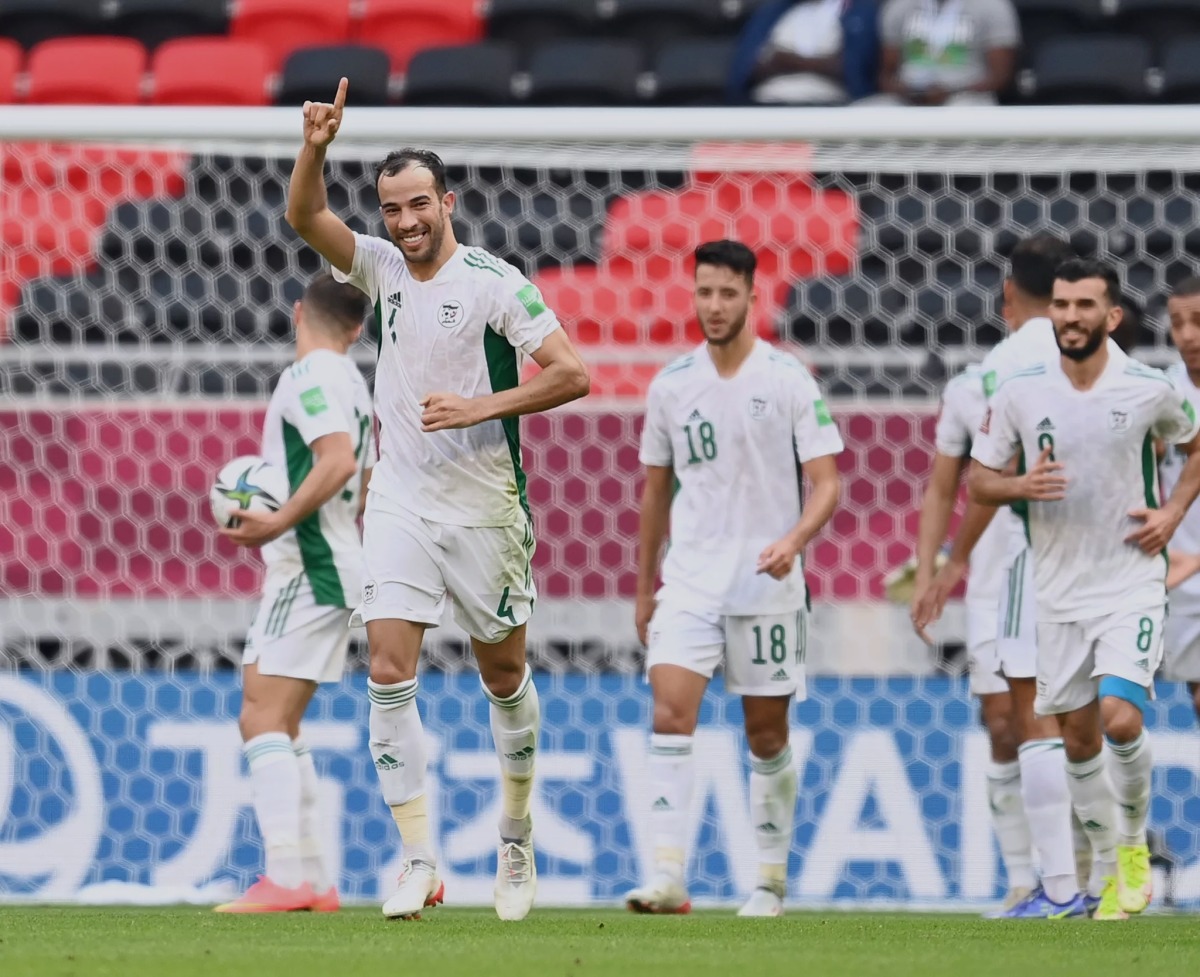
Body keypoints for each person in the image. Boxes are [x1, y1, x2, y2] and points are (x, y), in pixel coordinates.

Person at [284, 78, 591, 921]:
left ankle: (516, 835)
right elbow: (306, 219)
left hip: (487, 507)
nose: (406, 221)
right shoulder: (379, 268)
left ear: (447, 200)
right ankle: (419, 858)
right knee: (388, 669)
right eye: (392, 208)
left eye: (419, 203)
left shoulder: (496, 283)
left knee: (504, 674)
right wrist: (316, 145)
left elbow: (574, 373)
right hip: (400, 502)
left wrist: (482, 405)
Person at [969, 258, 1200, 920]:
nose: (1070, 316)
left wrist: (1173, 513)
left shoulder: (1147, 387)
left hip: (1129, 580)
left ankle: (1130, 853)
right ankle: (1107, 864)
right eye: (1062, 305)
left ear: (1113, 316)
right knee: (1076, 739)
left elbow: (1196, 442)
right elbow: (980, 481)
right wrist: (1021, 485)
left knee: (1121, 716)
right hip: (1056, 588)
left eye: (1085, 306)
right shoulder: (1020, 390)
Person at [625, 240, 842, 918]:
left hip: (766, 580)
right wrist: (643, 587)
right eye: (704, 292)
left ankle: (769, 881)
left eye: (727, 292)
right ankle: (666, 874)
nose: (714, 305)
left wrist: (794, 542)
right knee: (669, 711)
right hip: (689, 577)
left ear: (752, 294)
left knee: (766, 734)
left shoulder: (788, 379)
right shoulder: (672, 385)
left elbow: (828, 483)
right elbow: (655, 494)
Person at [914, 235, 1090, 919]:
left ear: (1007, 295)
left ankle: (1062, 879)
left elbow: (967, 487)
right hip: (1029, 565)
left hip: (1016, 563)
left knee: (1027, 720)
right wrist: (937, 561)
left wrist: (944, 564)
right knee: (1022, 720)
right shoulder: (1066, 365)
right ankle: (1036, 878)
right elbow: (947, 483)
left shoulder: (999, 371)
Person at [215, 273, 375, 913]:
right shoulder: (354, 384)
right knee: (279, 718)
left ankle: (286, 876)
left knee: (259, 717)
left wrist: (279, 520)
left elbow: (336, 461)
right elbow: (359, 475)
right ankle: (313, 879)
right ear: (358, 329)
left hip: (307, 565)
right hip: (332, 559)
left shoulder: (306, 378)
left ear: (297, 313)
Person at [911, 359, 1035, 915]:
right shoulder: (968, 388)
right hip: (989, 583)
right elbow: (944, 488)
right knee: (1003, 725)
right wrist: (930, 569)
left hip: (1058, 572)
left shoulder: (1070, 376)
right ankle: (1023, 881)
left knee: (1070, 727)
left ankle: (1093, 871)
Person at [1160, 277, 1200, 721]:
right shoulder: (1160, 394)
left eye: (1198, 322)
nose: (1187, 335)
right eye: (1177, 323)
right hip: (1181, 575)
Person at [871, 0, 1019, 105]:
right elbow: (887, 75)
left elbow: (1000, 76)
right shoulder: (898, 5)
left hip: (968, 95)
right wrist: (911, 93)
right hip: (909, 96)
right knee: (868, 113)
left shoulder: (993, 5)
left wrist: (949, 92)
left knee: (963, 114)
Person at [740, 0, 880, 105]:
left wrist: (789, 61)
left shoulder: (859, 12)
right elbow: (749, 67)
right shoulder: (772, 12)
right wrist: (820, 63)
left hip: (829, 104)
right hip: (769, 102)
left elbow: (853, 68)